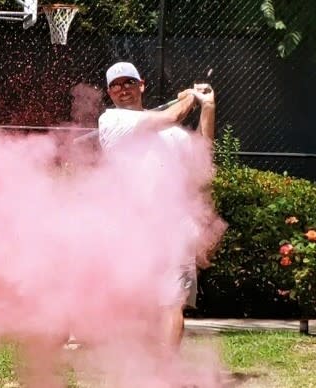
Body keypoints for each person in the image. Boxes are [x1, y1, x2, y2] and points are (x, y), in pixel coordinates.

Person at [96, 62, 216, 350]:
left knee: (171, 302)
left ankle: (164, 374)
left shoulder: (171, 132)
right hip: (131, 227)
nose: (123, 89)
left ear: (142, 85)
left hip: (174, 226)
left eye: (129, 82)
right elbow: (172, 114)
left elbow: (203, 154)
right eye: (116, 85)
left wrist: (208, 107)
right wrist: (189, 98)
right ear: (109, 92)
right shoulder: (112, 120)